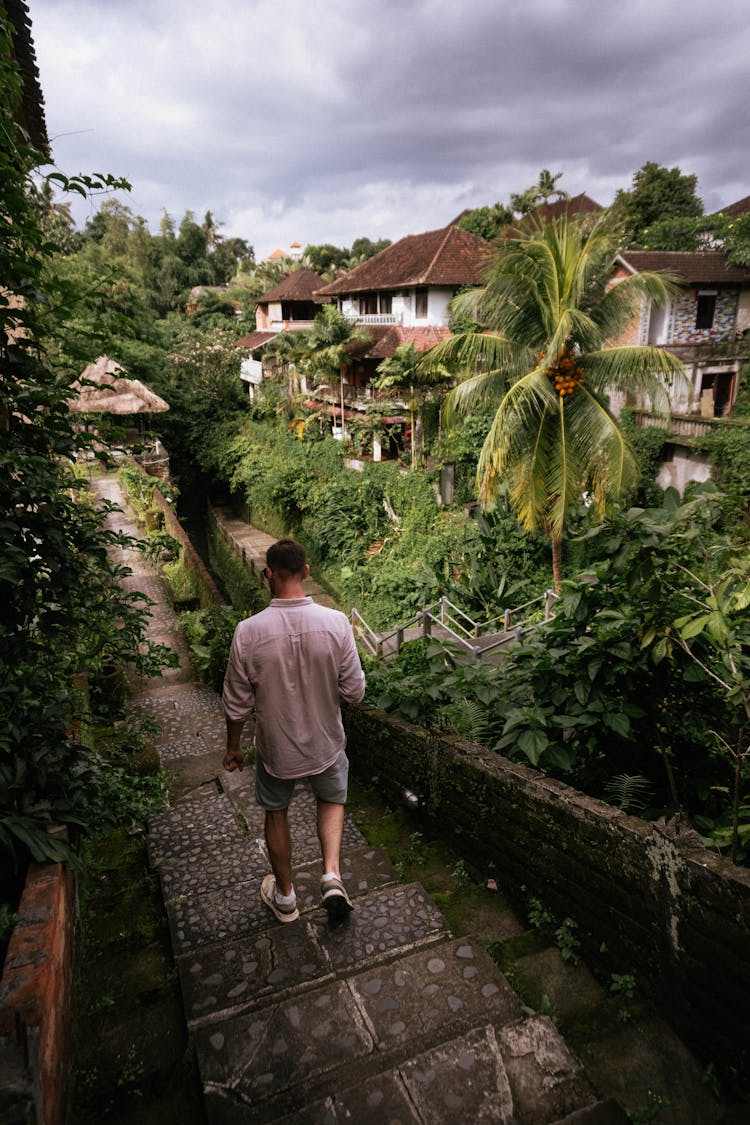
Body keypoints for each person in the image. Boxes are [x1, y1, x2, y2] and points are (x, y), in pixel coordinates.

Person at [222, 538, 366, 924]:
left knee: (276, 812)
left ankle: (285, 897)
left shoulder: (247, 632)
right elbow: (354, 692)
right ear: (306, 571)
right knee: (331, 799)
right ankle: (332, 876)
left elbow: (236, 702)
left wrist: (234, 746)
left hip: (276, 750)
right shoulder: (336, 624)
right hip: (326, 743)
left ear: (268, 575)